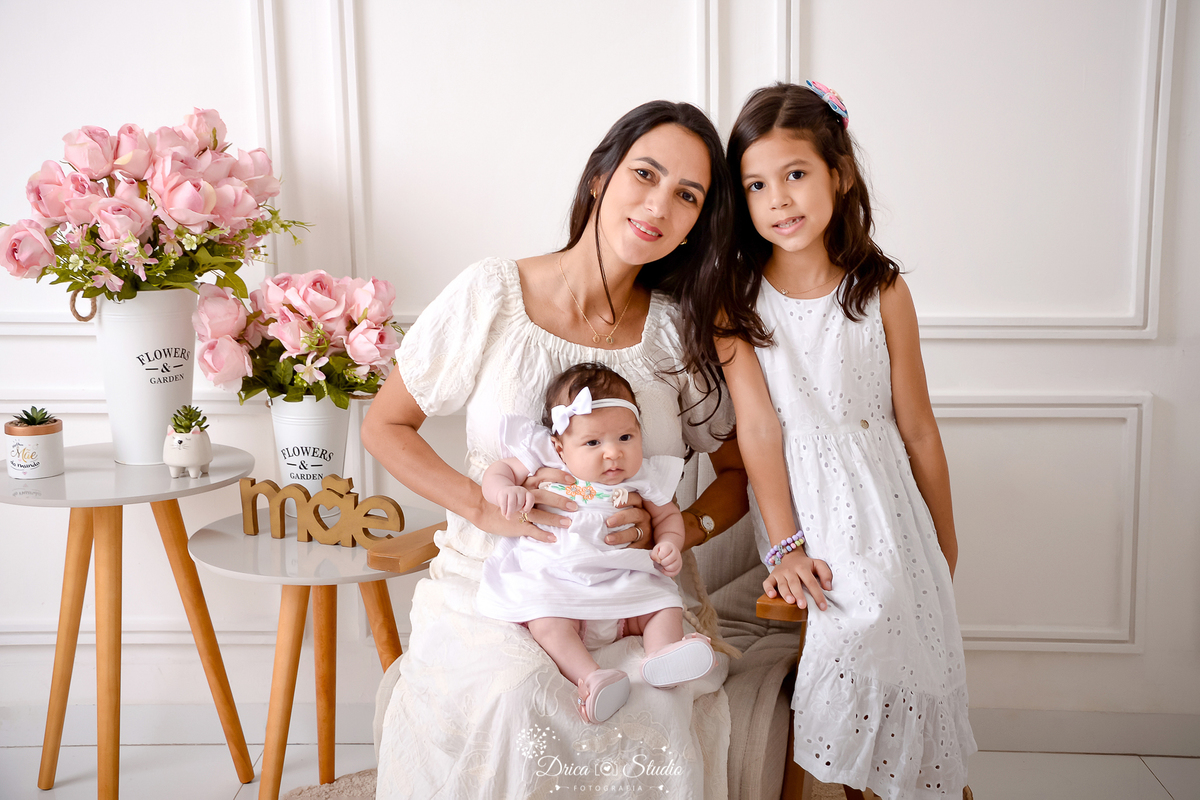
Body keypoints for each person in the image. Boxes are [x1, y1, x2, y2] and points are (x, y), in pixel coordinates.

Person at [362, 100, 747, 798]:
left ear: (697, 223)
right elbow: (384, 426)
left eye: (686, 195)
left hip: (631, 590)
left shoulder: (676, 335)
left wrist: (684, 528)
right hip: (495, 588)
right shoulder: (493, 294)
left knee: (657, 703)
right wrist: (481, 507)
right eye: (645, 174)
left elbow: (737, 472)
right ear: (601, 175)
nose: (658, 204)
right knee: (517, 696)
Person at [708, 82, 977, 799]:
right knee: (859, 611)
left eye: (795, 174)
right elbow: (759, 430)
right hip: (806, 499)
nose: (779, 200)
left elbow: (917, 425)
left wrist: (944, 535)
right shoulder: (737, 302)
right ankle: (849, 772)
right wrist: (785, 544)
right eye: (757, 185)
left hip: (886, 491)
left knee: (907, 609)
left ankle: (903, 776)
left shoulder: (879, 288)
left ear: (840, 173)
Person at [478, 363, 718, 724]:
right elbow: (496, 473)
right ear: (560, 446)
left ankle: (663, 656)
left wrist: (670, 542)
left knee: (665, 603)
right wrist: (505, 490)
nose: (613, 453)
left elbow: (668, 515)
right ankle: (592, 677)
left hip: (625, 583)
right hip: (560, 581)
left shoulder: (644, 475)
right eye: (592, 442)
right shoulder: (543, 456)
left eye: (625, 438)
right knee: (545, 621)